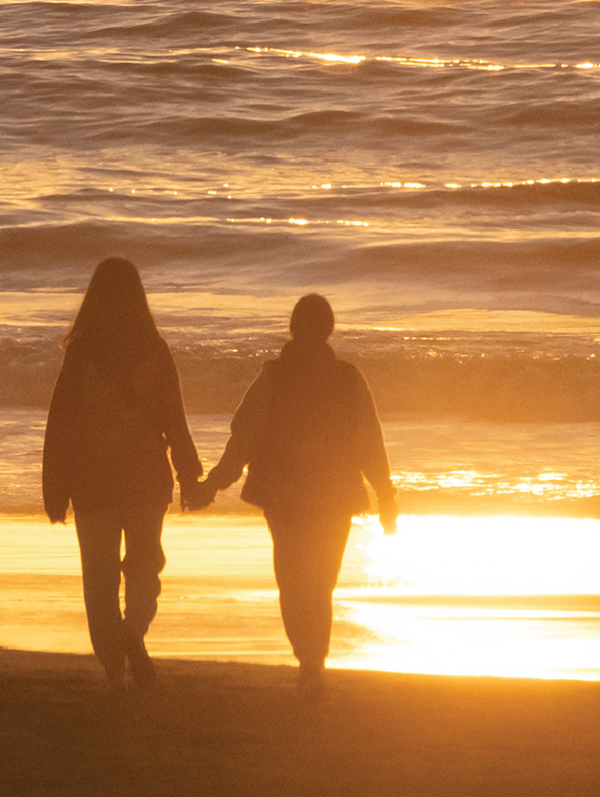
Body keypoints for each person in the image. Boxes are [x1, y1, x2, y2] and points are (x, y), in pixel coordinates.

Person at [190, 293, 396, 697]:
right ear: (329, 330)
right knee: (320, 583)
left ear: (293, 329)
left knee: (292, 580)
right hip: (334, 496)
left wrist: (214, 483)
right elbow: (371, 443)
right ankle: (313, 662)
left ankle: (308, 658)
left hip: (283, 496)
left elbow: (242, 439)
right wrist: (386, 497)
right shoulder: (347, 378)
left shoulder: (273, 377)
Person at [42, 257, 203, 689]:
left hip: (92, 480)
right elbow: (175, 418)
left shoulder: (80, 354)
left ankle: (114, 671)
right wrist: (189, 473)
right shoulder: (155, 349)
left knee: (98, 577)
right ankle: (134, 630)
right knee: (146, 565)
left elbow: (61, 424)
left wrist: (53, 488)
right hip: (146, 477)